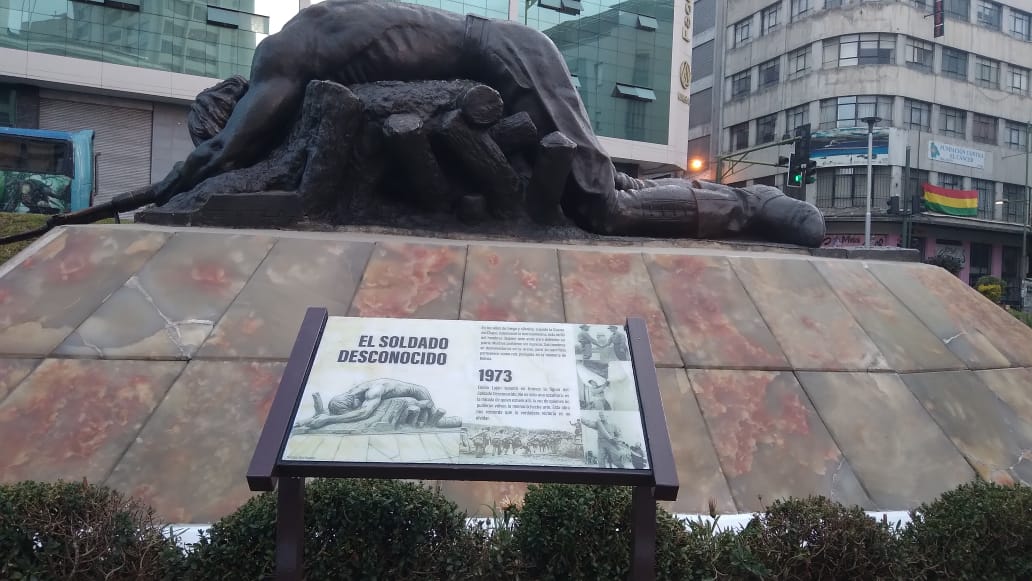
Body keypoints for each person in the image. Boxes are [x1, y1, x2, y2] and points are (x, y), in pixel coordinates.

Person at [156, 0, 825, 246]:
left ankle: (749, 205)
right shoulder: (303, 51)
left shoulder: (280, 55)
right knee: (598, 181)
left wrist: (177, 180)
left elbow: (225, 150)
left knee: (603, 207)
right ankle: (701, 192)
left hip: (506, 53)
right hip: (498, 59)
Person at [295, 378, 435, 429]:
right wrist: (310, 419)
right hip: (404, 397)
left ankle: (427, 420)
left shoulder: (373, 392)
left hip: (420, 394)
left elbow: (363, 413)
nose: (356, 408)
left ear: (354, 402)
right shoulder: (352, 394)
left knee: (430, 416)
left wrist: (328, 419)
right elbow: (336, 409)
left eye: (351, 409)